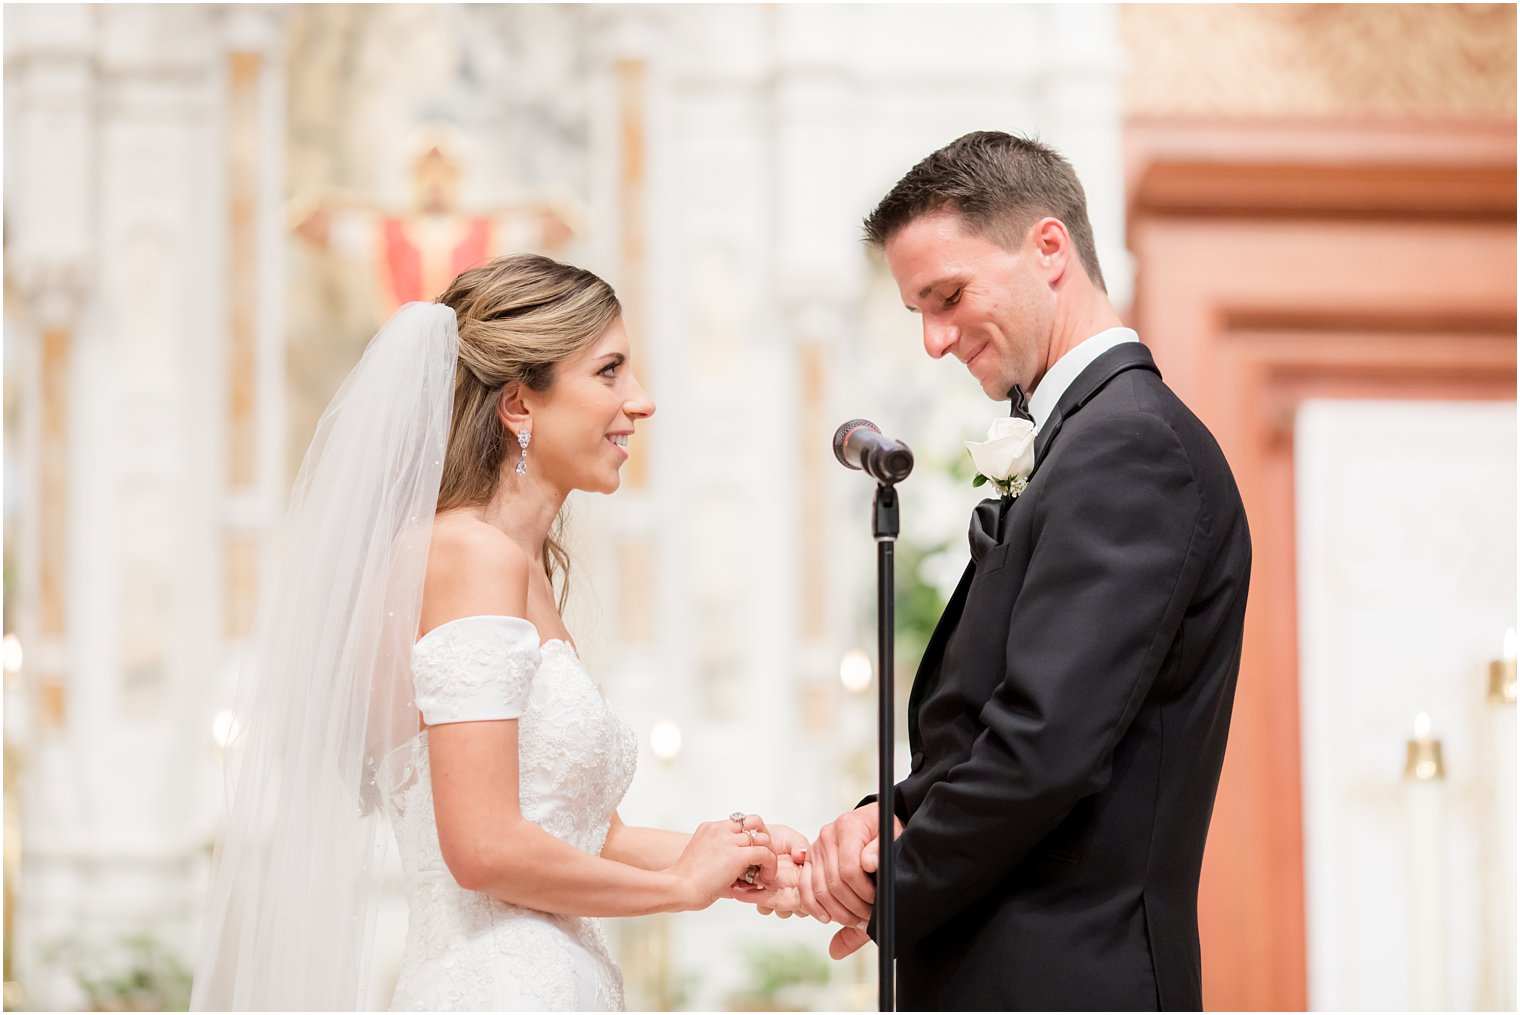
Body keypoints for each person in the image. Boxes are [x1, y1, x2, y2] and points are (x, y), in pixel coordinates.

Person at [191, 254, 801, 1012]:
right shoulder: (467, 554)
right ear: (519, 405)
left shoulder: (516, 568)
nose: (639, 401)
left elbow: (585, 835)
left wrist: (747, 858)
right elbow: (482, 846)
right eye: (609, 371)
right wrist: (679, 887)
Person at [801, 131, 1252, 1010]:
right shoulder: (1083, 440)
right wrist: (886, 813)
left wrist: (887, 877)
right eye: (917, 312)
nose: (934, 340)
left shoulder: (1129, 447)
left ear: (1049, 248)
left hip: (1071, 976)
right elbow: (994, 720)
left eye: (949, 295)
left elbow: (1044, 745)